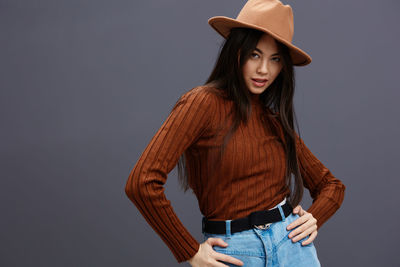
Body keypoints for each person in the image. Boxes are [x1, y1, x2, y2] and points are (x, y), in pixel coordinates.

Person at [125, 0, 346, 266]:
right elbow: (141, 182)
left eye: (275, 59)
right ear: (235, 51)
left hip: (292, 248)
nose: (264, 70)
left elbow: (332, 186)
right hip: (236, 253)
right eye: (255, 54)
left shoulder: (273, 120)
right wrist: (190, 250)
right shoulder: (202, 103)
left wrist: (315, 216)